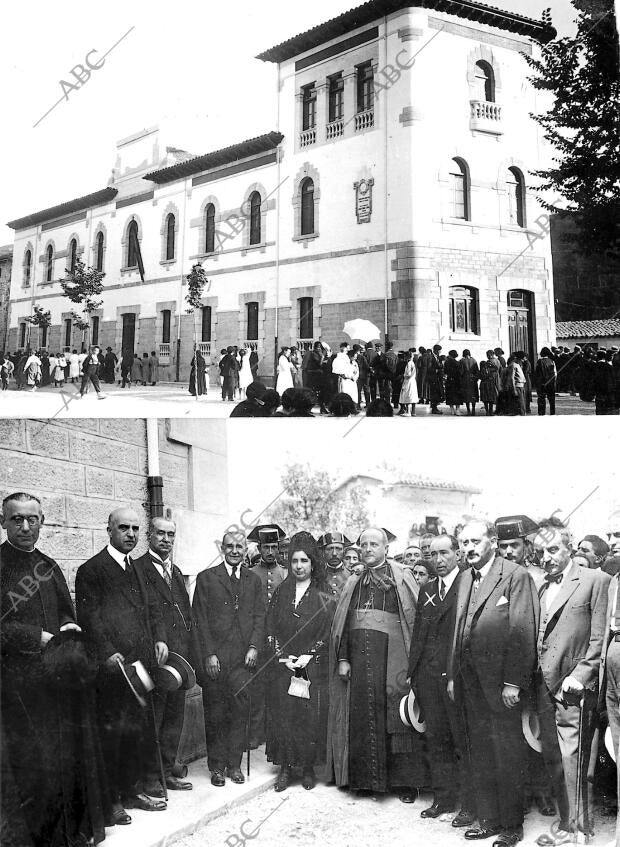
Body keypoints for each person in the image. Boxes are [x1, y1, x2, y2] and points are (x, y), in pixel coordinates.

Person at [1, 492, 110, 845]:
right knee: (32, 765)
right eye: (16, 519)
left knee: (63, 759)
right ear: (3, 522)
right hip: (18, 686)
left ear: (42, 522)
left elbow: (65, 609)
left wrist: (68, 627)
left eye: (32, 519)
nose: (25, 526)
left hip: (58, 681)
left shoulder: (47, 565)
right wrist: (38, 637)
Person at [447, 519, 538, 847]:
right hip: (469, 680)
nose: (468, 548)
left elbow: (523, 631)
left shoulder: (515, 575)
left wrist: (513, 682)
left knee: (507, 753)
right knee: (480, 752)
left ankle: (512, 825)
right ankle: (488, 819)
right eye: (464, 542)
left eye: (475, 541)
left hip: (501, 684)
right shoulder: (466, 578)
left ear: (493, 542)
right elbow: (458, 630)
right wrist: (453, 676)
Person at [75, 507, 169, 821]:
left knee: (137, 730)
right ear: (110, 530)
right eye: (124, 528)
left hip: (140, 664)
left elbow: (152, 607)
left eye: (135, 529)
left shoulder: (139, 568)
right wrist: (107, 651)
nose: (131, 534)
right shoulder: (92, 570)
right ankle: (111, 800)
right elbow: (90, 617)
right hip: (113, 669)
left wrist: (159, 638)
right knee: (112, 735)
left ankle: (132, 791)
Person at [327, 527, 425, 802]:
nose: (368, 548)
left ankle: (404, 784)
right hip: (358, 659)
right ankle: (364, 780)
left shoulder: (402, 577)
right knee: (360, 716)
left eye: (374, 544)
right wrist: (344, 658)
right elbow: (343, 622)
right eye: (364, 544)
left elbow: (413, 619)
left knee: (396, 717)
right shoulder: (353, 580)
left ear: (386, 549)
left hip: (394, 657)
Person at [533, 519, 610, 842]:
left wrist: (581, 674)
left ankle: (578, 830)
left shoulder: (595, 580)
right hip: (542, 683)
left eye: (553, 549)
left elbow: (599, 637)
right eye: (540, 552)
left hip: (572, 686)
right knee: (553, 756)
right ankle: (567, 823)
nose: (547, 557)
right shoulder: (540, 585)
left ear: (569, 547)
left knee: (573, 760)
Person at [407, 534, 475, 826]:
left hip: (457, 677)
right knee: (436, 740)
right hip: (428, 677)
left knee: (463, 741)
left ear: (458, 554)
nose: (438, 560)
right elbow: (419, 633)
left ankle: (469, 805)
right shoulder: (428, 588)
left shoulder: (470, 585)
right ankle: (443, 798)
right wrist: (413, 674)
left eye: (445, 553)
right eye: (433, 555)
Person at [192, 530, 265, 787]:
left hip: (243, 660)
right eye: (230, 546)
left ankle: (234, 764)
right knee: (215, 711)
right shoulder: (207, 578)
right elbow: (199, 620)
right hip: (216, 660)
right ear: (222, 549)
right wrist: (209, 654)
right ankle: (217, 767)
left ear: (246, 550)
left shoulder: (253, 581)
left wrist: (255, 647)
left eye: (239, 547)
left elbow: (259, 617)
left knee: (239, 710)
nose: (235, 551)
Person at [133, 517, 199, 796]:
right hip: (156, 658)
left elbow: (186, 614)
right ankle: (151, 778)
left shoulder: (176, 570)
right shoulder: (138, 568)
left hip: (179, 658)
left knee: (175, 717)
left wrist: (191, 653)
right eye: (160, 534)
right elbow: (141, 613)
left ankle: (168, 770)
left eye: (171, 534)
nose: (166, 540)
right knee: (154, 719)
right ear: (149, 536)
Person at [266, 532, 334, 791]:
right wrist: (282, 655)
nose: (299, 566)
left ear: (312, 563)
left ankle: (307, 768)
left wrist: (310, 655)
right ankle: (285, 768)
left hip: (312, 665)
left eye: (304, 561)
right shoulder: (282, 592)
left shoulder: (323, 592)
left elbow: (329, 629)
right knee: (285, 714)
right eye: (294, 561)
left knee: (308, 716)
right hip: (285, 665)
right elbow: (270, 627)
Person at [245, 524, 288, 746]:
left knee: (279, 688)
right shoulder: (250, 574)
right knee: (257, 687)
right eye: (266, 547)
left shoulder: (286, 574)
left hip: (281, 640)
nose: (270, 552)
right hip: (257, 640)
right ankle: (255, 734)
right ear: (259, 548)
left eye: (274, 547)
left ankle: (275, 734)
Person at [318, 531, 351, 599]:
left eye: (338, 549)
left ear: (344, 551)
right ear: (323, 552)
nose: (334, 553)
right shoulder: (317, 576)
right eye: (329, 549)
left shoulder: (351, 575)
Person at [535, 347, 557, 416]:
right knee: (552, 400)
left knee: (541, 399)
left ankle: (541, 414)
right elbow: (555, 373)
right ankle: (552, 413)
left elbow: (537, 373)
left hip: (542, 383)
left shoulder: (539, 361)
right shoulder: (552, 361)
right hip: (550, 383)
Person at [480, 350, 501, 416]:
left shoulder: (489, 362)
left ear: (490, 355)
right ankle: (492, 411)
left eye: (488, 355)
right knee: (493, 395)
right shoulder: (497, 361)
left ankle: (488, 411)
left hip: (490, 379)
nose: (487, 356)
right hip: (496, 378)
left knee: (488, 397)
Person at [399, 350, 419, 416]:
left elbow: (408, 374)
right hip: (413, 381)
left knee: (407, 394)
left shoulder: (409, 364)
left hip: (408, 381)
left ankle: (408, 412)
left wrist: (403, 376)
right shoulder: (412, 363)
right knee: (412, 396)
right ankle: (413, 412)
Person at [459, 350, 480, 416]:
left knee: (467, 396)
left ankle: (468, 411)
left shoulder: (462, 361)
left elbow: (461, 372)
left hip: (465, 380)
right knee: (473, 395)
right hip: (473, 380)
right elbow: (477, 371)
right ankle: (473, 409)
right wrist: (475, 379)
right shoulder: (474, 360)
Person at [428, 344, 444, 414]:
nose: (440, 352)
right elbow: (429, 368)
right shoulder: (431, 357)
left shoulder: (437, 357)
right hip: (433, 377)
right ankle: (434, 408)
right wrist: (435, 370)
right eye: (439, 351)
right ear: (436, 350)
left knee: (437, 393)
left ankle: (435, 407)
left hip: (437, 378)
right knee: (434, 393)